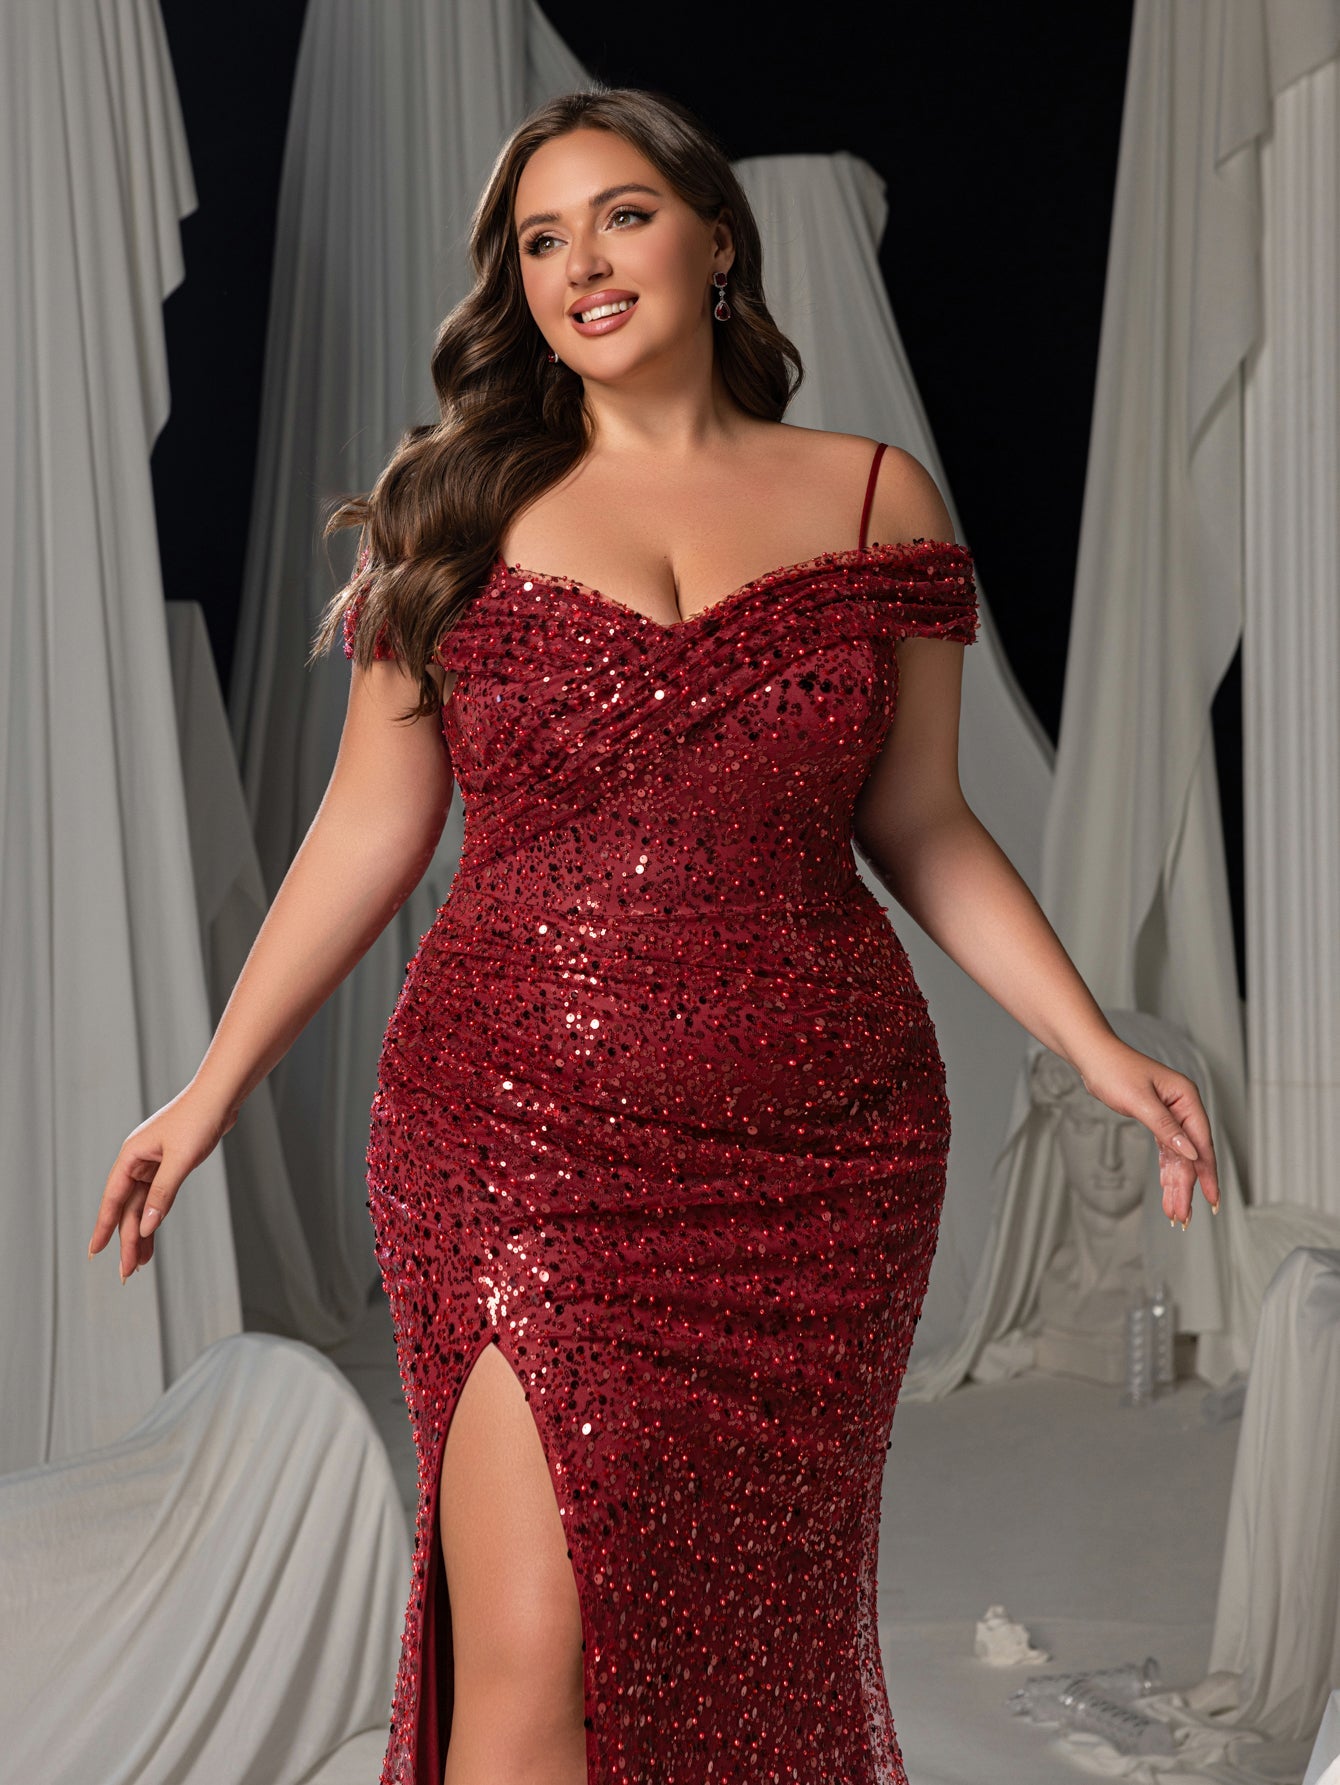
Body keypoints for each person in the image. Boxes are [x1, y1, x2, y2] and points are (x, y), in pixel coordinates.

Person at [88, 84, 1220, 1785]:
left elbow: (923, 823)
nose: (583, 265)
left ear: (714, 238)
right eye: (541, 241)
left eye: (620, 215)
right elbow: (365, 832)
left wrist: (1098, 1046)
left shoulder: (874, 500)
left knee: (746, 1648)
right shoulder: (450, 512)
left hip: (821, 1161)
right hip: (512, 1140)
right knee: (526, 1658)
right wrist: (209, 1089)